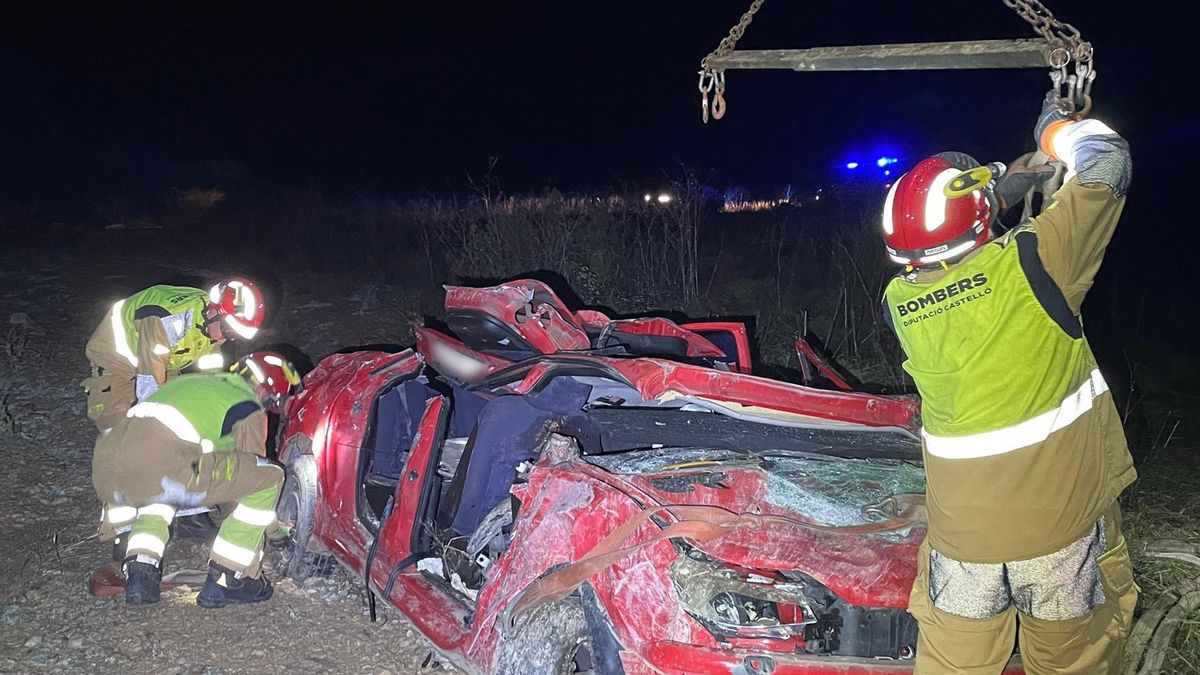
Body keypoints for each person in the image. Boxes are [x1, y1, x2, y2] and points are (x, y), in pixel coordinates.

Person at [880, 91, 1136, 673]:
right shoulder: (1036, 261)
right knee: (1071, 657)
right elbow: (1109, 160)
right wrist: (1055, 130)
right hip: (1059, 537)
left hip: (963, 543)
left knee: (953, 662)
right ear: (978, 218)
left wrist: (1005, 181)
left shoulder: (902, 299)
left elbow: (955, 231)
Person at [92, 351, 301, 607]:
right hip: (161, 467)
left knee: (162, 489)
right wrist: (276, 532)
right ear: (267, 391)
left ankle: (141, 570)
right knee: (269, 476)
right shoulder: (247, 406)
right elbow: (249, 483)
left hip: (106, 468)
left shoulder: (191, 384)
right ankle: (230, 578)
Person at [84, 278, 266, 433]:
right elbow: (149, 382)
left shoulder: (214, 329)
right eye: (227, 330)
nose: (224, 338)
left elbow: (210, 376)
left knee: (182, 414)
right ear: (213, 312)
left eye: (233, 335)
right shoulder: (169, 320)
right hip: (117, 362)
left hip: (163, 364)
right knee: (120, 430)